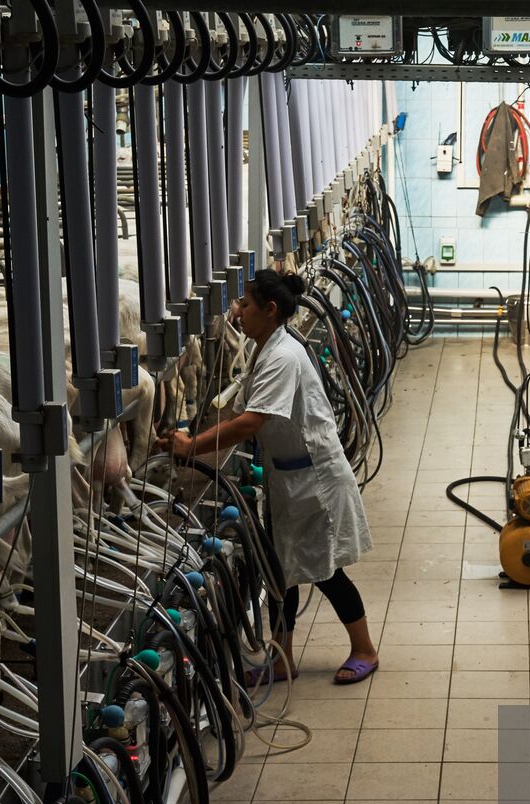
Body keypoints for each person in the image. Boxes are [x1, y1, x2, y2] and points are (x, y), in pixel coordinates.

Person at [156, 270, 379, 685]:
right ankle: (281, 658)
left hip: (315, 481)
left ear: (270, 310)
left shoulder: (282, 356)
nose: (237, 312)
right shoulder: (266, 347)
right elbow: (240, 405)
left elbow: (250, 422)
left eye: (244, 304)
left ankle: (364, 649)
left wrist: (192, 447)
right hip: (288, 479)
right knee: (280, 571)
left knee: (325, 570)